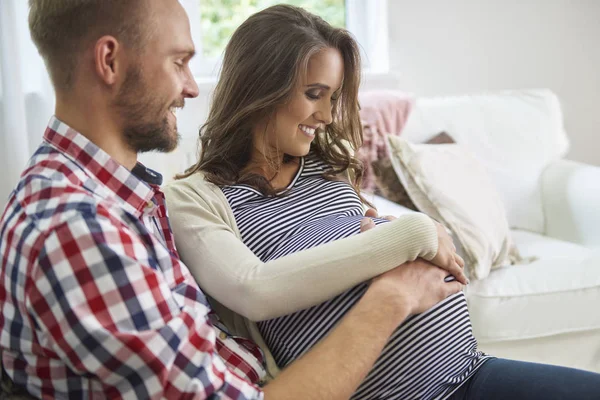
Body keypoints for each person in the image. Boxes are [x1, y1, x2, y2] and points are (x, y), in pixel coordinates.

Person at [0, 1, 464, 399]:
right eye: (179, 62)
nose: (192, 87)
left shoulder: (119, 201)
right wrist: (393, 296)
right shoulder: (76, 229)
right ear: (109, 61)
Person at [164, 4, 600, 400]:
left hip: (470, 372)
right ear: (259, 87)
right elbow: (253, 289)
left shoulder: (329, 165)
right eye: (315, 94)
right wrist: (414, 232)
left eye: (333, 98)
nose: (328, 116)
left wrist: (387, 237)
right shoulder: (195, 196)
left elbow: (362, 246)